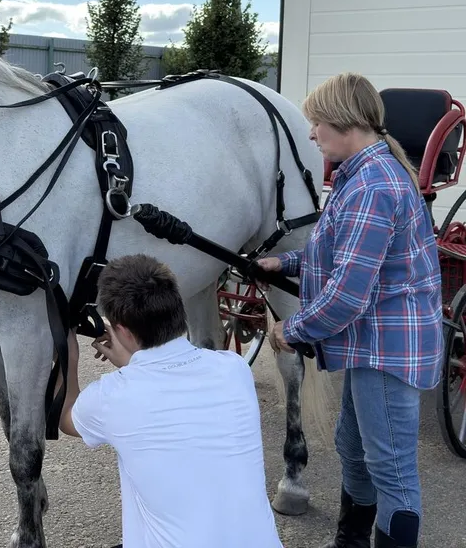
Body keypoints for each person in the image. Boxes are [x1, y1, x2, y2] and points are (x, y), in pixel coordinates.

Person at [258, 72, 443, 548]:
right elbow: (340, 252)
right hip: (371, 344)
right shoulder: (361, 176)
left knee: (391, 469)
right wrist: (285, 260)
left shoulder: (371, 187)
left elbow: (348, 295)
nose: (312, 133)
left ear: (345, 122)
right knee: (354, 451)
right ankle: (351, 539)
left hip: (385, 349)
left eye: (317, 122)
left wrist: (290, 330)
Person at [57, 253, 283, 548]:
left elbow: (67, 418)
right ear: (179, 308)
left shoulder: (112, 396)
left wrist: (68, 355)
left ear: (121, 330)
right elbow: (166, 395)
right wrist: (132, 361)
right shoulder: (233, 368)